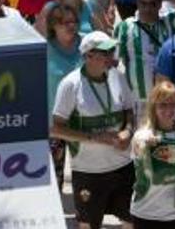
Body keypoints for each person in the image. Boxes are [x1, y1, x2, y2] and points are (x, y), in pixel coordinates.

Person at [51, 30, 135, 229]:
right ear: (88, 56)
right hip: (88, 171)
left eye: (112, 51)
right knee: (88, 225)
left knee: (132, 221)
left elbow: (129, 112)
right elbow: (56, 129)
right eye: (105, 52)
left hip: (122, 166)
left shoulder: (118, 76)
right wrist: (94, 137)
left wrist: (128, 132)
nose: (111, 56)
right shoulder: (71, 84)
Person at [130, 81, 175, 229]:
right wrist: (147, 149)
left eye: (173, 104)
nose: (169, 110)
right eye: (163, 105)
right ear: (153, 106)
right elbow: (139, 149)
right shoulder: (143, 135)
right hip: (150, 214)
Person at [115, 0, 175, 120]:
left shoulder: (169, 22)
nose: (147, 8)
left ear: (160, 4)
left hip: (167, 100)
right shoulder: (125, 27)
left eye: (153, 3)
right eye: (143, 3)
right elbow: (115, 62)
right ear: (137, 3)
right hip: (139, 100)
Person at [45, 3, 83, 192]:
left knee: (85, 176)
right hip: (54, 123)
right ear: (53, 25)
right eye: (65, 22)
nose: (71, 26)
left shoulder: (86, 46)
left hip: (83, 122)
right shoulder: (43, 48)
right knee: (53, 176)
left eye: (74, 21)